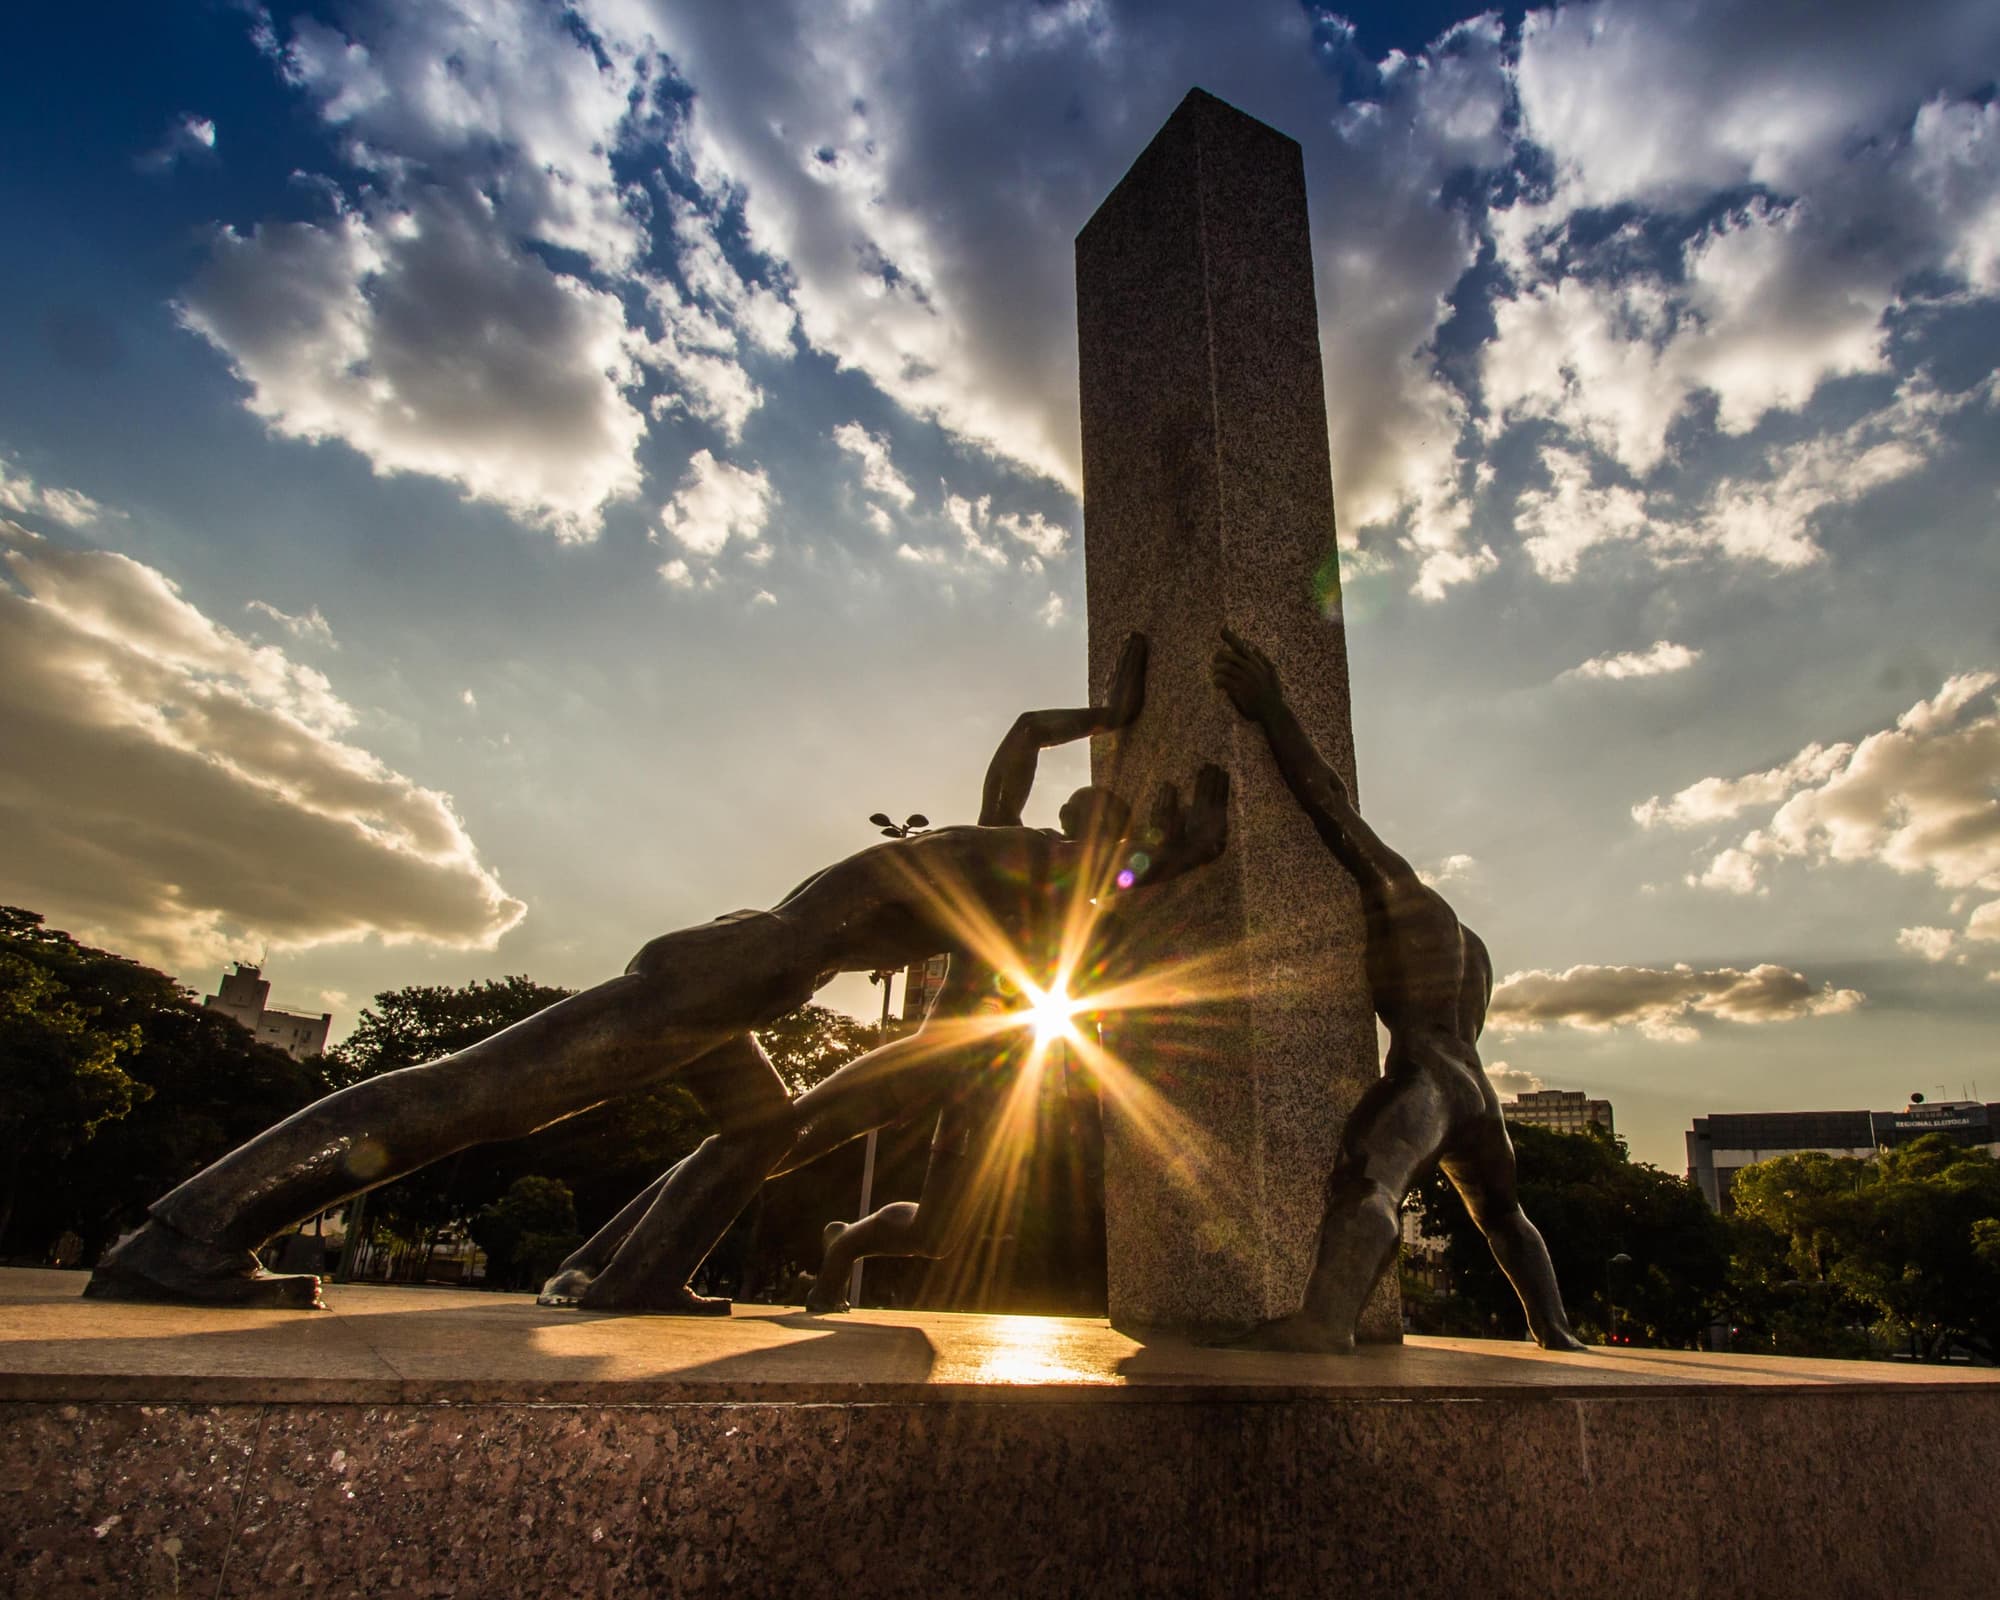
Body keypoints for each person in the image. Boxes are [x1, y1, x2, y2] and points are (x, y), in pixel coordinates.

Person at [84, 634, 1224, 1314]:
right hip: (728, 980)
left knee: (759, 1130)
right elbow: (1149, 869)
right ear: (1096, 840)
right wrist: (1199, 825)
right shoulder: (1044, 866)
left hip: (734, 967)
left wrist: (1110, 715)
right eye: (1111, 845)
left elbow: (1022, 733)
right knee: (476, 1094)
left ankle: (635, 1280)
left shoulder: (994, 847)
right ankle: (185, 1238)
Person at [537, 635, 1216, 1311]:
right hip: (933, 1051)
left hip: (995, 1086)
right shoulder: (1003, 854)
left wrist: (1172, 841)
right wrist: (1113, 713)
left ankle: (844, 1245)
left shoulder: (1086, 913)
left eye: (1102, 832)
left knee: (938, 1234)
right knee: (776, 1140)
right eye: (1080, 822)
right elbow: (1029, 733)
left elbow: (1150, 902)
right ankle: (589, 1264)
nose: (1084, 839)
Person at [1209, 629, 1585, 1354]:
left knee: (1367, 1179)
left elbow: (1330, 805)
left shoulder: (1409, 902)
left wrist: (1274, 709)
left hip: (1427, 1077)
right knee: (1502, 1213)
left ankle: (1324, 1322)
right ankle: (1555, 1327)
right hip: (1478, 1089)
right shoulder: (1472, 950)